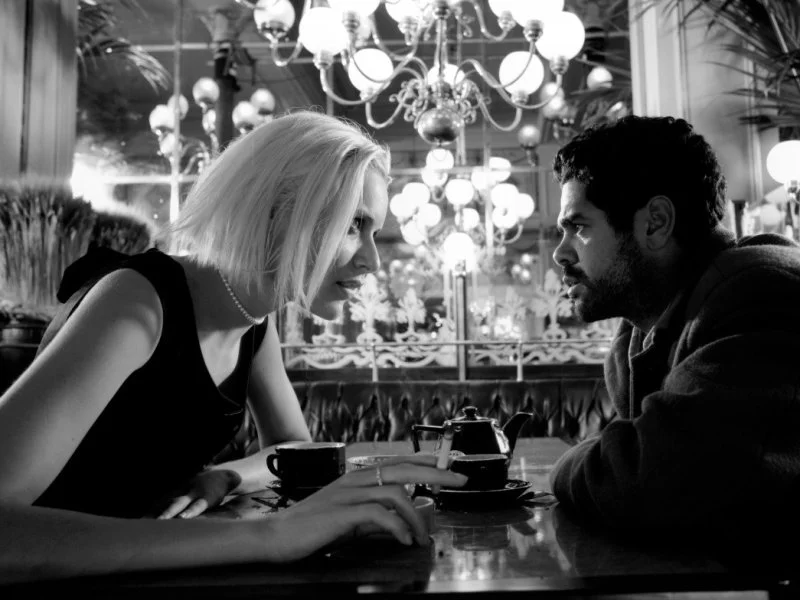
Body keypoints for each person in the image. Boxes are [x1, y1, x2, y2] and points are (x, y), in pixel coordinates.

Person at [0, 110, 466, 583]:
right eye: (353, 224)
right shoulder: (137, 302)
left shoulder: (254, 319)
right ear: (275, 210)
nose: (373, 260)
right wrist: (273, 535)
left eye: (373, 232)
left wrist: (227, 476)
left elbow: (292, 447)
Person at [547, 115, 800, 550]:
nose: (560, 253)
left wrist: (559, 466)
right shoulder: (648, 327)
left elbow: (643, 480)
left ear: (656, 222)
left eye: (580, 227)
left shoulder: (761, 296)